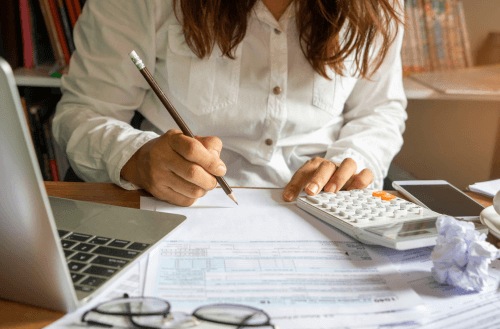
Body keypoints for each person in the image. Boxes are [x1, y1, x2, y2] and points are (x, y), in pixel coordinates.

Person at [52, 0, 407, 207]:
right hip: (175, 207)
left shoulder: (378, 6)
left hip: (322, 209)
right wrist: (135, 157)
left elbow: (379, 111)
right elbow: (84, 112)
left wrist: (350, 163)